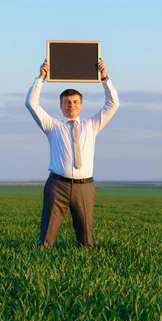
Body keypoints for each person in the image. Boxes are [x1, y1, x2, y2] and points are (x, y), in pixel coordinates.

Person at [25, 58, 119, 249]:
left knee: (86, 240)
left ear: (81, 105)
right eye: (66, 102)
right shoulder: (52, 125)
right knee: (45, 241)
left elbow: (113, 104)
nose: (71, 105)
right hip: (57, 185)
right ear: (60, 106)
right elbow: (31, 103)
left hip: (84, 187)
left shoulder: (92, 125)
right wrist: (41, 78)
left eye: (75, 102)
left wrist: (105, 78)